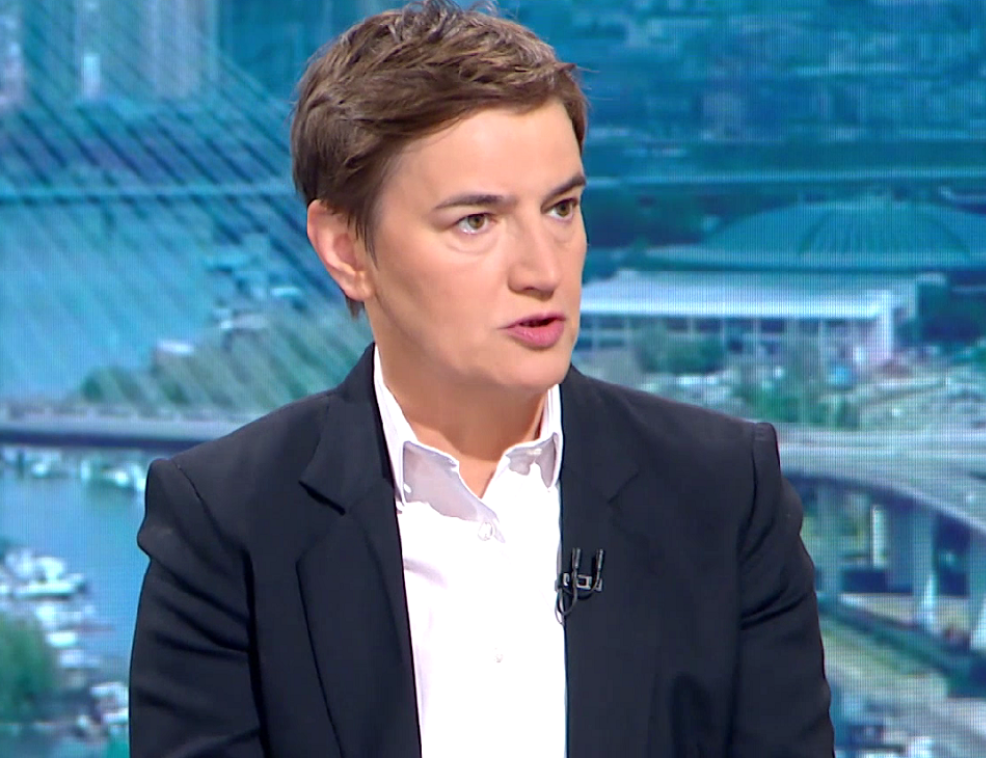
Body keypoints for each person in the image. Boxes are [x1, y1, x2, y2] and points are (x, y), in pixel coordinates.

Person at [128, 1, 834, 756]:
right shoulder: (227, 526)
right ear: (346, 249)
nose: (541, 269)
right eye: (476, 221)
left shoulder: (723, 495)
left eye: (561, 208)